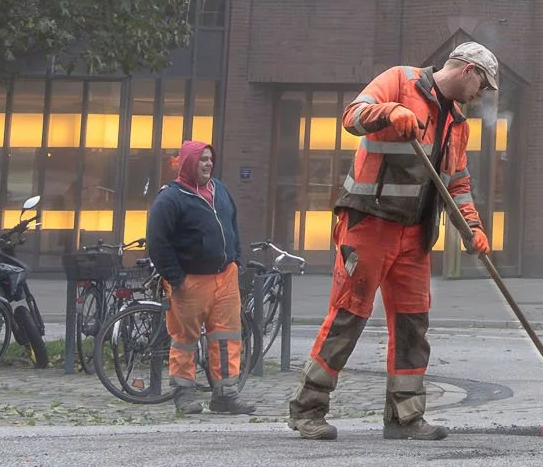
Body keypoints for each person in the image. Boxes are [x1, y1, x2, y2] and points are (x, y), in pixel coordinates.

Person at [288, 42, 500, 442]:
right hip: (369, 223)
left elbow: (457, 183)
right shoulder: (399, 81)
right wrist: (390, 112)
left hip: (415, 234)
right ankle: (307, 409)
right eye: (482, 86)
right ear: (468, 70)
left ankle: (405, 417)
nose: (481, 95)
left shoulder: (457, 122)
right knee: (348, 316)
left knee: (412, 324)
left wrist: (471, 227)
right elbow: (352, 116)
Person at [150, 141, 257, 417]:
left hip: (225, 277)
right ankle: (184, 394)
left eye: (210, 159)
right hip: (190, 281)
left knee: (226, 338)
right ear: (188, 163)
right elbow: (158, 243)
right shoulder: (170, 198)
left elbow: (232, 225)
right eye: (202, 160)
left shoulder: (219, 190)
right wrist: (177, 279)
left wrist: (236, 259)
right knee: (184, 339)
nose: (208, 164)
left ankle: (225, 394)